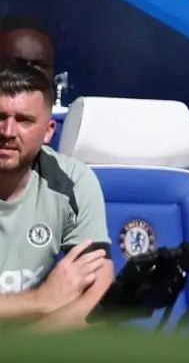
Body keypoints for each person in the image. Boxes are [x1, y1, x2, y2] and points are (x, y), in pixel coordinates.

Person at [0, 59, 112, 330]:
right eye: (0, 118)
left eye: (24, 120)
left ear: (49, 131)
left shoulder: (72, 181)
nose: (7, 132)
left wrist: (24, 348)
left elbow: (97, 287)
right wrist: (40, 300)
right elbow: (47, 301)